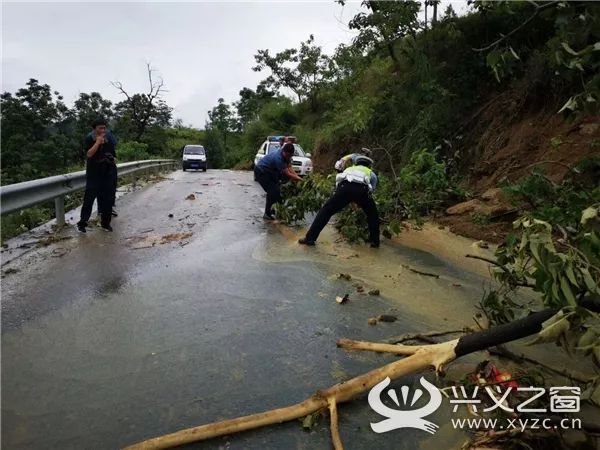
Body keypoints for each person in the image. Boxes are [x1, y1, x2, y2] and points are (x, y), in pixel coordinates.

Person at [299, 155, 380, 247]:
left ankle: (310, 238)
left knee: (326, 211)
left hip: (343, 189)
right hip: (362, 191)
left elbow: (339, 183)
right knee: (373, 215)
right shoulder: (372, 174)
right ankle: (374, 241)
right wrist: (359, 202)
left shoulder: (349, 169)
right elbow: (371, 190)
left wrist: (344, 198)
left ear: (356, 163)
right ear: (369, 166)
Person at [77, 119, 117, 233]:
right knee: (89, 198)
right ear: (94, 129)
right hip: (94, 173)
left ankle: (105, 224)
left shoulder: (109, 138)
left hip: (108, 172)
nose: (103, 130)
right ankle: (82, 223)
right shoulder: (90, 138)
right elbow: (89, 154)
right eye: (100, 128)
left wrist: (110, 159)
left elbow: (113, 155)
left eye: (104, 128)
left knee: (108, 199)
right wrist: (98, 142)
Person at [254, 142, 302, 220]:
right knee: (272, 191)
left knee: (277, 191)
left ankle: (275, 211)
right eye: (288, 155)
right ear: (284, 152)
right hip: (261, 171)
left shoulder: (287, 156)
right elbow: (287, 173)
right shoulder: (278, 158)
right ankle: (267, 213)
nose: (289, 157)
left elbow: (290, 168)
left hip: (271, 171)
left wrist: (298, 177)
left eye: (290, 156)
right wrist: (300, 180)